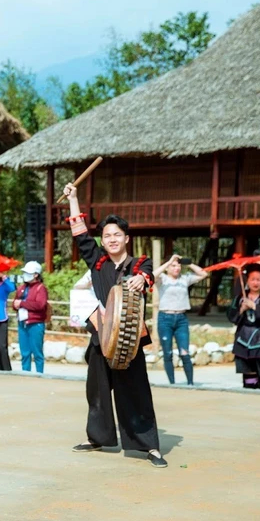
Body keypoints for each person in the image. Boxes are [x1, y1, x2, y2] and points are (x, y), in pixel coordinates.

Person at [64, 183, 166, 468]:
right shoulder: (98, 262)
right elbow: (80, 235)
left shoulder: (139, 263)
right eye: (107, 235)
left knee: (136, 391)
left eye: (116, 235)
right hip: (102, 338)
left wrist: (141, 279)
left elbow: (146, 274)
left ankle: (149, 446)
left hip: (129, 340)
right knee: (96, 391)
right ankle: (98, 437)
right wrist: (73, 199)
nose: (111, 239)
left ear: (126, 238)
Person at [153, 254, 207, 385]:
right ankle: (172, 384)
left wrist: (189, 263)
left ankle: (190, 383)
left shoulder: (185, 279)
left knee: (185, 353)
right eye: (173, 266)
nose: (176, 268)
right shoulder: (163, 279)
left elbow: (204, 274)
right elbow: (152, 276)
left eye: (178, 265)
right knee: (168, 353)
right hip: (165, 319)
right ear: (167, 267)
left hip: (181, 319)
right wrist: (168, 262)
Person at [228, 264, 260, 393]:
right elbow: (231, 316)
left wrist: (255, 306)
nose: (255, 283)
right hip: (244, 339)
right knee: (249, 373)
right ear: (247, 281)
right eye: (252, 279)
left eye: (258, 279)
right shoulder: (240, 297)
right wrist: (241, 309)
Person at [14, 261, 49, 374]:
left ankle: (39, 374)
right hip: (22, 322)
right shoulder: (22, 288)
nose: (25, 275)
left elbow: (40, 305)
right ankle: (25, 373)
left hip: (35, 323)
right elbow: (15, 303)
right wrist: (16, 304)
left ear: (36, 274)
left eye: (28, 273)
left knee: (37, 352)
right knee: (25, 352)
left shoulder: (40, 288)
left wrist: (22, 303)